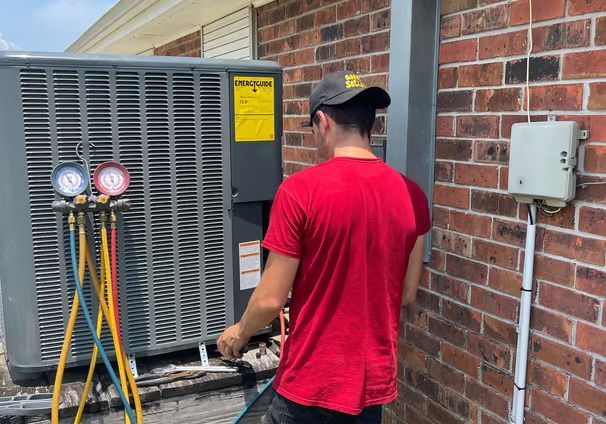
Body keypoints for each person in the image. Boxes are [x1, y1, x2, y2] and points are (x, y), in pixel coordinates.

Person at [218, 71, 430, 424]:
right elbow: (406, 293)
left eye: (313, 129)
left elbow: (271, 300)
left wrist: (238, 333)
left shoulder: (301, 191)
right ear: (370, 125)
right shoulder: (413, 196)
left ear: (322, 121)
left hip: (311, 384)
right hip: (370, 388)